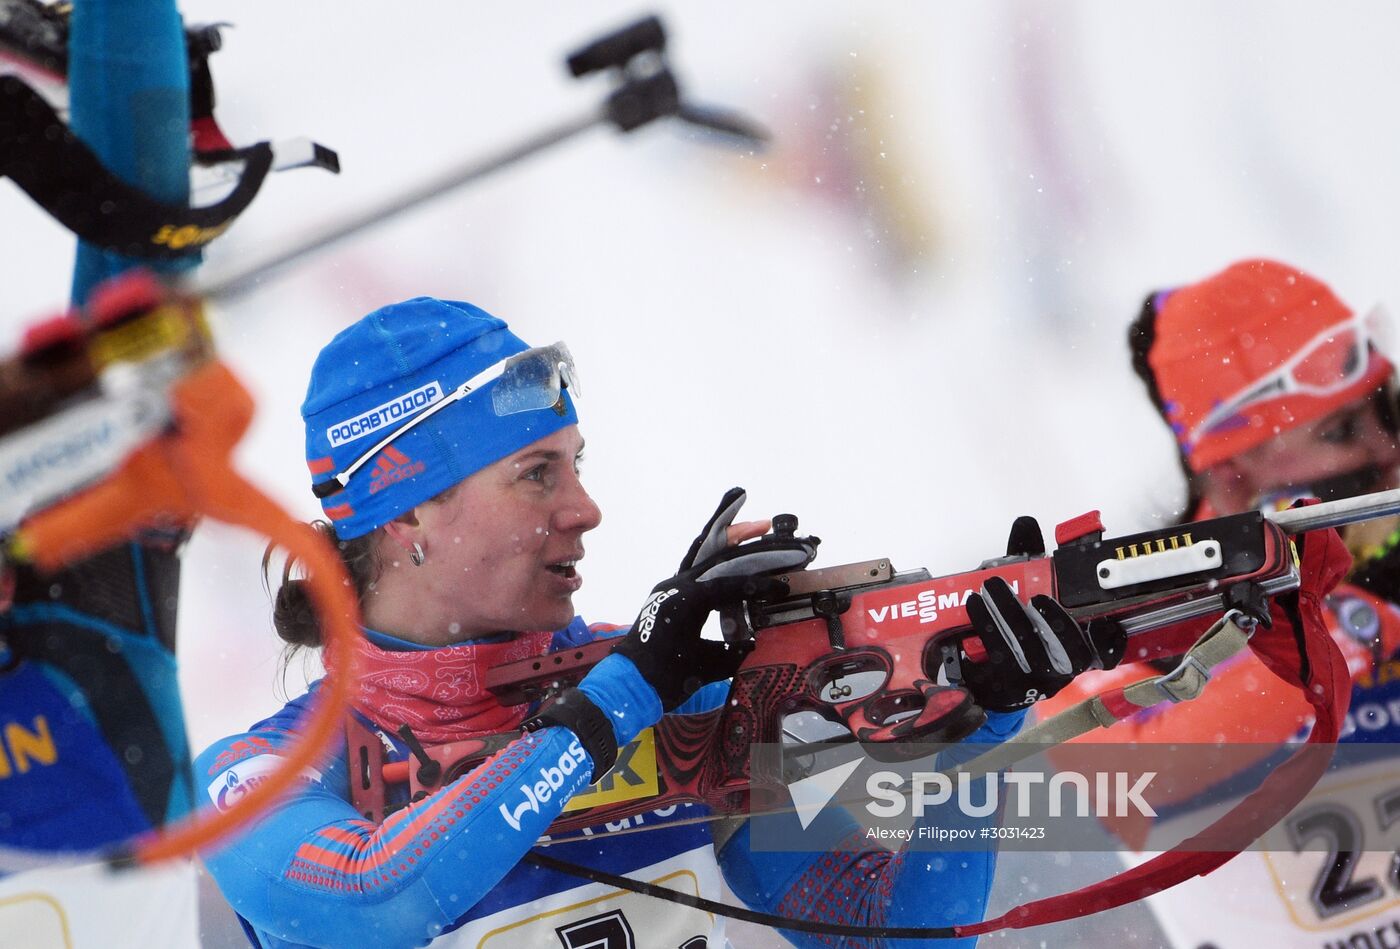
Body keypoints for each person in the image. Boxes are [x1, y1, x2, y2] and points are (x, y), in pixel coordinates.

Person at [194, 296, 1119, 949]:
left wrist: (982, 725)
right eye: (535, 474)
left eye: (577, 464)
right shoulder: (269, 769)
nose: (585, 508)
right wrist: (625, 694)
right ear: (406, 515)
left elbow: (894, 937)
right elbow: (375, 897)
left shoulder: (664, 695)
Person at [1039, 258, 1400, 948]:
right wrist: (1350, 623)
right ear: (1235, 470)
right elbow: (1130, 778)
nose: (1386, 450)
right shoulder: (1136, 608)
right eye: (1338, 432)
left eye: (1388, 407)